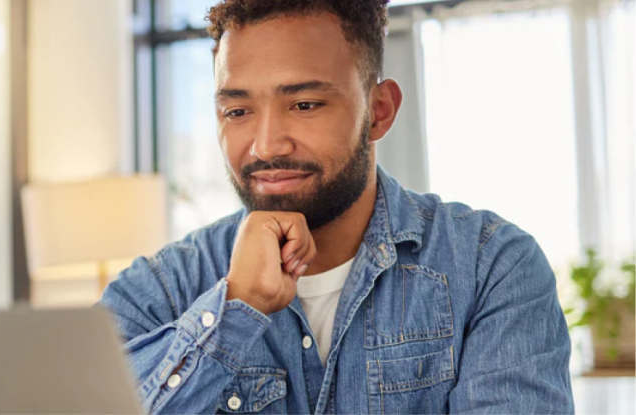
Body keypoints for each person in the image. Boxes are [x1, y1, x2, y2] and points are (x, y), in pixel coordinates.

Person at [100, 1, 574, 413]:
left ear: (379, 111)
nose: (266, 144)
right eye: (237, 111)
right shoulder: (158, 291)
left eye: (304, 104)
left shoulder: (491, 266)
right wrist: (235, 308)